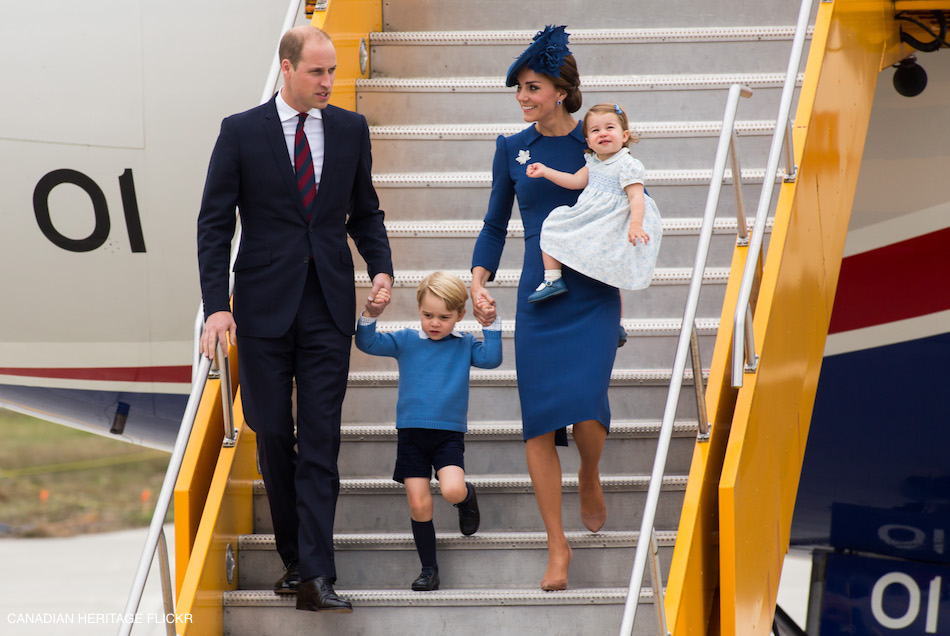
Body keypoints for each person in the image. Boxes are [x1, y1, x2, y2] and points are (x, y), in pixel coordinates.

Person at [196, 25, 393, 613]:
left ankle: (315, 574)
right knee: (273, 433)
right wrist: (216, 309)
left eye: (332, 71)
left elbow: (366, 210)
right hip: (260, 308)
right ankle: (292, 558)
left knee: (321, 439)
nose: (329, 82)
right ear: (286, 69)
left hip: (328, 304)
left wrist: (380, 268)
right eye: (317, 72)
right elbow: (213, 226)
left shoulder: (351, 129)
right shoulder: (240, 132)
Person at [470, 24, 615, 592]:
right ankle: (558, 546)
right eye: (519, 90)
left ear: (559, 90)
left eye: (532, 88)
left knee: (586, 411)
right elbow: (493, 224)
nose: (523, 98)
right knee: (537, 425)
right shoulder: (511, 148)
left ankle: (591, 471)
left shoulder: (596, 139)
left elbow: (635, 195)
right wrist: (478, 281)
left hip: (594, 289)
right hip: (537, 292)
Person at [355, 272, 502, 591]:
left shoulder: (463, 344)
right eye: (427, 315)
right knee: (419, 504)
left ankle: (466, 498)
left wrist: (489, 323)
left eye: (444, 317)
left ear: (460, 315)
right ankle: (429, 569)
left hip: (447, 435)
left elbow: (492, 359)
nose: (435, 322)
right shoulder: (406, 339)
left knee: (451, 490)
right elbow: (367, 342)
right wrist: (371, 314)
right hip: (411, 436)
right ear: (418, 309)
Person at [524, 102, 662, 303]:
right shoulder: (594, 162)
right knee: (553, 224)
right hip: (592, 216)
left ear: (624, 136)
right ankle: (553, 279)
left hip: (614, 220)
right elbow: (574, 181)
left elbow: (636, 196)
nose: (603, 133)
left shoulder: (627, 165)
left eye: (610, 128)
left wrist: (635, 225)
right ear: (588, 141)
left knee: (610, 257)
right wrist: (546, 171)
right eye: (596, 130)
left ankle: (612, 310)